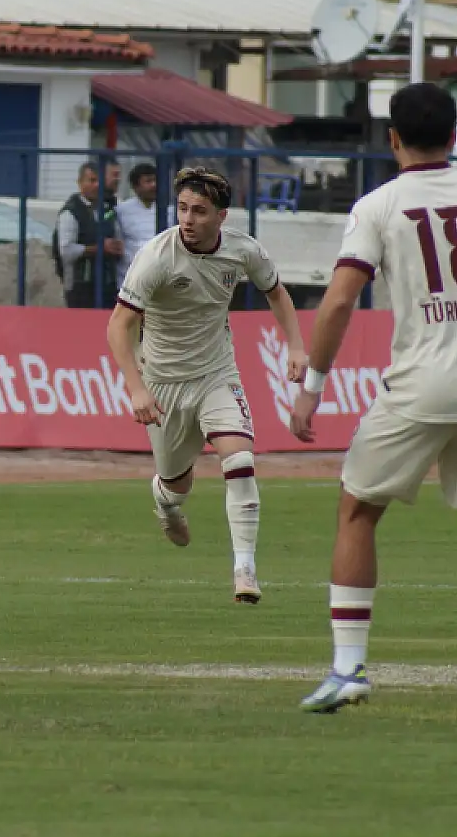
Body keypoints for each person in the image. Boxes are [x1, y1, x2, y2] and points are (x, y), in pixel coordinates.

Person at [288, 81, 457, 721]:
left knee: (357, 512)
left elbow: (338, 300)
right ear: (456, 136)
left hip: (419, 386)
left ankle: (349, 669)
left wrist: (313, 387)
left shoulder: (379, 205)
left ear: (392, 138)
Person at [106, 166, 308, 605]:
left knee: (239, 460)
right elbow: (118, 326)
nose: (188, 219)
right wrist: (136, 388)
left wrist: (295, 345)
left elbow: (275, 290)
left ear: (222, 215)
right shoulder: (157, 257)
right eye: (182, 208)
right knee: (178, 484)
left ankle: (245, 571)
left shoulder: (242, 250)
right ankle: (165, 502)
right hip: (163, 385)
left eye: (199, 211)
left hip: (217, 374)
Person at [55, 161, 124, 308]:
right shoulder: (71, 212)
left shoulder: (108, 208)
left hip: (108, 284)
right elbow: (66, 251)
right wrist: (98, 248)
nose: (96, 185)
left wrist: (117, 247)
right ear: (80, 183)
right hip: (80, 286)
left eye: (99, 181)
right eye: (91, 180)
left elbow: (117, 236)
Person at [114, 162, 161, 288]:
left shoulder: (169, 209)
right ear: (136, 187)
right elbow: (119, 242)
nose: (154, 185)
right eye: (148, 181)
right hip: (130, 278)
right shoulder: (122, 210)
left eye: (155, 180)